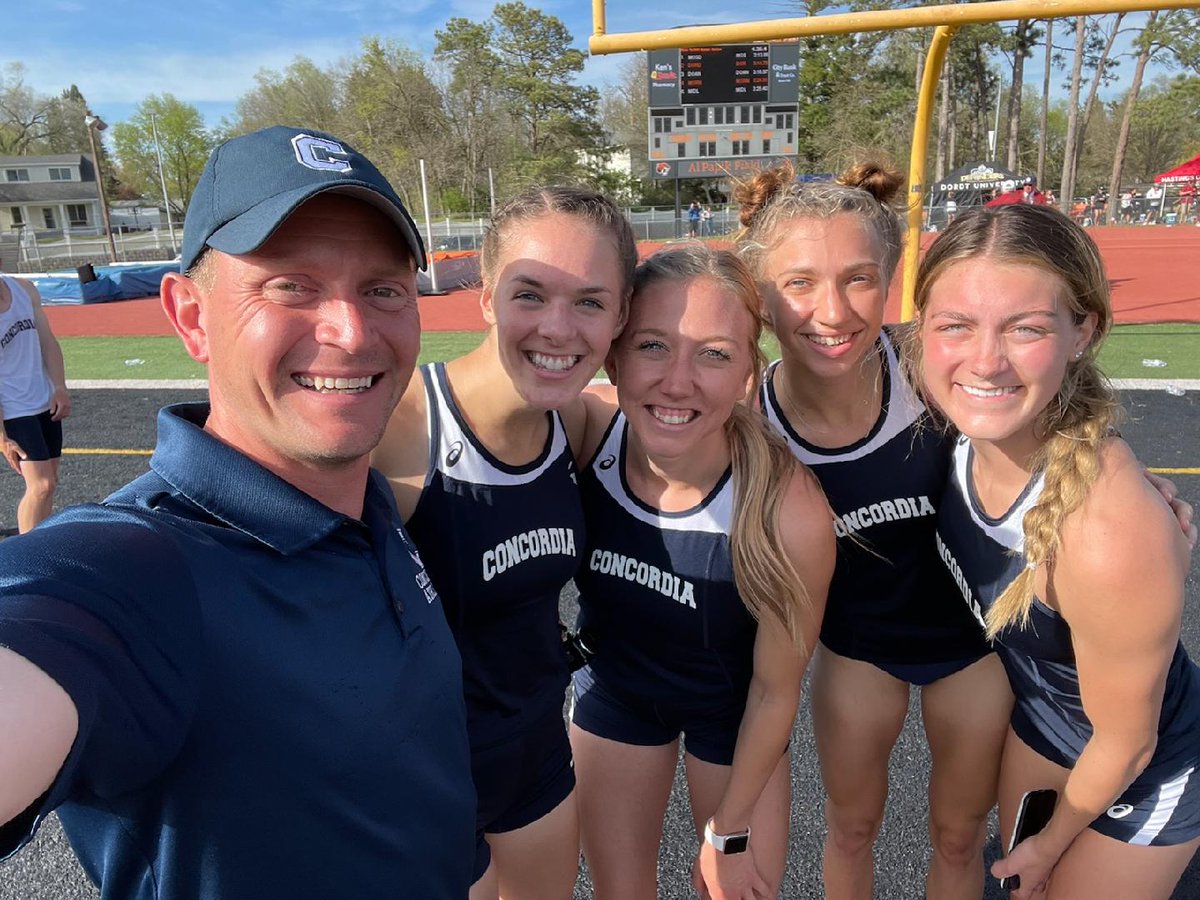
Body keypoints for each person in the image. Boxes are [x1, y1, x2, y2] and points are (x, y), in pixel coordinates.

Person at [0, 126, 476, 898]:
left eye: (382, 288)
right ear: (190, 316)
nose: (351, 333)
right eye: (290, 285)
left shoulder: (372, 505)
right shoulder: (133, 571)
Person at [733, 159, 1011, 900]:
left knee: (958, 839)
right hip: (859, 653)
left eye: (858, 278)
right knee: (851, 828)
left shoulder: (931, 366)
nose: (833, 312)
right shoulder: (752, 423)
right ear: (758, 297)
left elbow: (1054, 415)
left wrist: (1122, 469)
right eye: (799, 283)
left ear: (890, 278)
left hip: (973, 646)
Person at [912, 203, 1200, 899]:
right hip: (1044, 723)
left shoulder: (1105, 528)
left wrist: (1052, 843)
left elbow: (1126, 741)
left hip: (1144, 763)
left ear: (1083, 332)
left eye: (1026, 328)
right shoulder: (951, 424)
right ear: (921, 329)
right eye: (956, 325)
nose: (985, 361)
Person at [372, 186, 635, 900]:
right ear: (487, 298)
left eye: (589, 302)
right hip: (418, 779)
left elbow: (708, 421)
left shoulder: (576, 424)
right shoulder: (399, 430)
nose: (558, 328)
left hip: (536, 758)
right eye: (530, 294)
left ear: (619, 317)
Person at [569, 245, 835, 900]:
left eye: (714, 353)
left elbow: (777, 693)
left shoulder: (786, 511)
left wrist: (730, 832)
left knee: (737, 890)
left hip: (736, 714)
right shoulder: (581, 434)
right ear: (614, 357)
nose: (678, 381)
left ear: (750, 375)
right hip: (618, 692)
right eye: (653, 346)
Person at [0, 272, 70, 532]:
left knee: (50, 480)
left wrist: (59, 387)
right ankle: (25, 555)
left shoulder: (23, 289)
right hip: (13, 410)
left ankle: (39, 542)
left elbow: (47, 341)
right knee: (41, 485)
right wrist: (2, 436)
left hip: (43, 398)